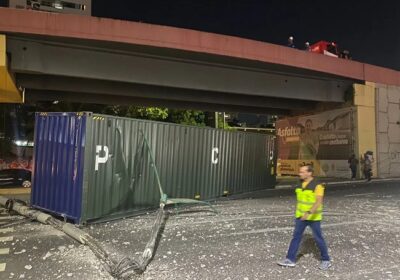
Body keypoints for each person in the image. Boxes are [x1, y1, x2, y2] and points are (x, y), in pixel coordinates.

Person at [277, 165, 331, 270]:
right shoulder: (300, 183)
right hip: (300, 217)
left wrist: (309, 212)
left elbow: (318, 201)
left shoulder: (317, 186)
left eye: (302, 172)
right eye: (300, 172)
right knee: (296, 237)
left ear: (309, 173)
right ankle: (290, 259)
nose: (300, 173)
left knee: (318, 238)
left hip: (313, 218)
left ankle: (326, 260)